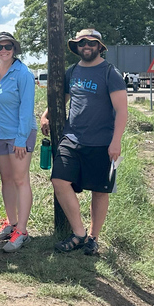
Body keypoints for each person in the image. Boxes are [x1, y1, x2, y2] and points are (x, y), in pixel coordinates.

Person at [40, 28, 128, 256]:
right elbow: (64, 98)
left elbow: (121, 110)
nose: (86, 46)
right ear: (76, 47)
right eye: (82, 43)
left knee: (100, 191)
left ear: (100, 46)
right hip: (72, 138)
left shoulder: (110, 73)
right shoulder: (72, 72)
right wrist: (46, 114)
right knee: (59, 180)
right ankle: (79, 233)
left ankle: (94, 238)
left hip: (102, 142)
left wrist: (116, 142)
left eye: (91, 43)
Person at [0, 32, 37, 252]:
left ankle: (22, 231)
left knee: (20, 180)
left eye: (8, 46)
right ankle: (11, 223)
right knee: (6, 179)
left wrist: (20, 139)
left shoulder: (23, 73)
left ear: (14, 49)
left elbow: (27, 109)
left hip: (19, 134)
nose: (3, 50)